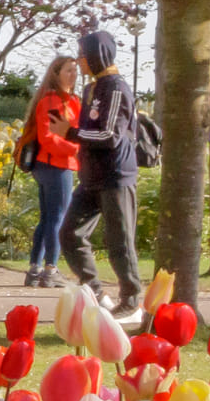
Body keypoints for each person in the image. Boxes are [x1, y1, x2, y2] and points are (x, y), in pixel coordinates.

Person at [59, 29, 146, 308]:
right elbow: (90, 130)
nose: (80, 61)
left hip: (116, 176)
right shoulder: (90, 89)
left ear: (99, 56)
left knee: (119, 241)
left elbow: (111, 136)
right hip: (91, 177)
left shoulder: (117, 88)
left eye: (83, 55)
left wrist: (70, 133)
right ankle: (94, 291)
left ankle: (131, 300)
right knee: (70, 233)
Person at [16, 57, 86, 288]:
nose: (73, 74)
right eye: (68, 70)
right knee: (57, 218)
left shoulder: (64, 99)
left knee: (48, 218)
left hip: (48, 164)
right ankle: (50, 269)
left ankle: (35, 269)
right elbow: (49, 138)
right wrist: (78, 149)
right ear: (56, 74)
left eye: (75, 70)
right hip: (57, 164)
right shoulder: (55, 100)